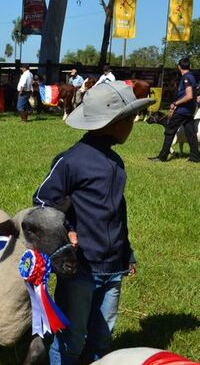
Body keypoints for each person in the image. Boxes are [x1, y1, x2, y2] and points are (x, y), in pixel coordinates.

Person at [32, 81, 155, 365]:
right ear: (114, 123)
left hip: (113, 266)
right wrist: (67, 232)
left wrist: (128, 252)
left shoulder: (116, 163)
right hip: (81, 268)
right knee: (71, 339)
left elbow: (117, 211)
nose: (132, 125)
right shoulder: (70, 161)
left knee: (102, 335)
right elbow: (42, 201)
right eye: (130, 120)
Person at [148, 57, 200, 162]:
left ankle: (162, 156)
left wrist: (175, 103)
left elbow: (189, 96)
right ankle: (195, 156)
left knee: (169, 132)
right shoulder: (192, 77)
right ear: (189, 66)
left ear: (179, 67)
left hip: (182, 111)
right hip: (189, 110)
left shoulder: (186, 78)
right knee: (190, 133)